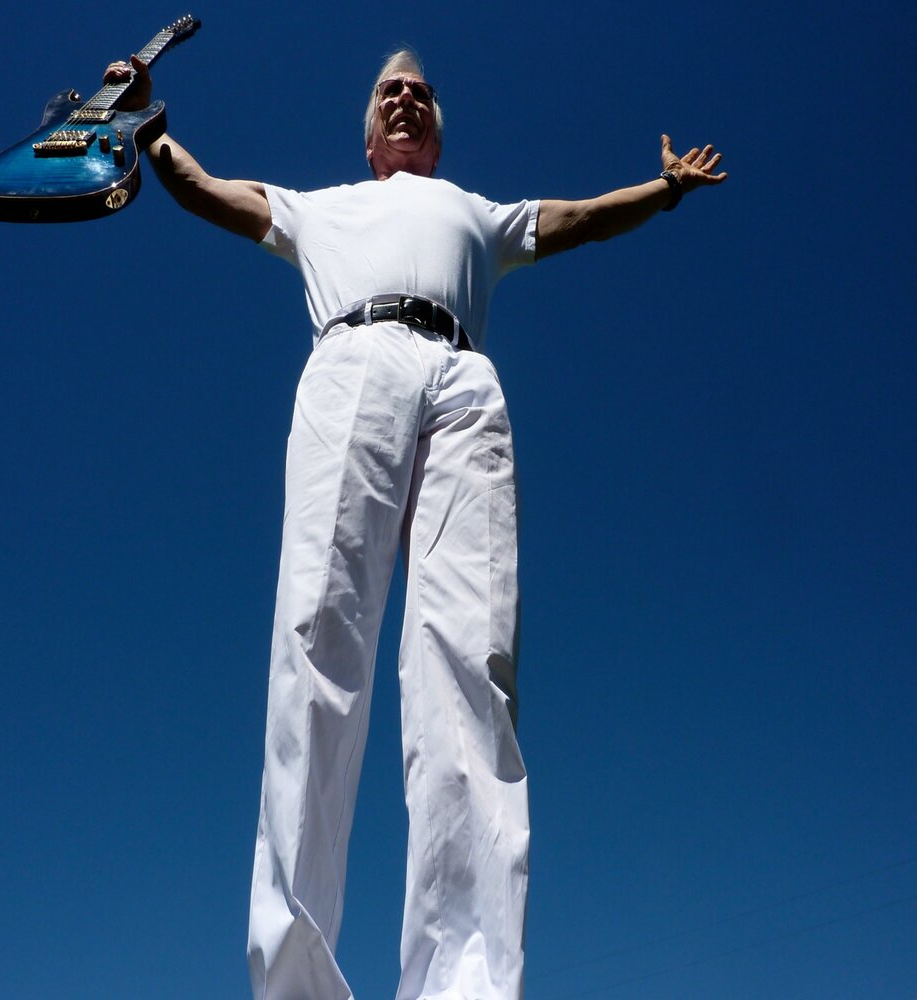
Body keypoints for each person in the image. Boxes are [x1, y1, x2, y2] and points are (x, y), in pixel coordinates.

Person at [104, 47, 726, 1000]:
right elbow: (204, 191)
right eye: (388, 90)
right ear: (369, 131)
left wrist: (666, 190)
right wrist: (146, 126)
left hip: (466, 380)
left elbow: (581, 217)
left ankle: (466, 986)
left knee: (471, 662)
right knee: (319, 636)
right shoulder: (319, 207)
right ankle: (295, 982)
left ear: (436, 126)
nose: (404, 96)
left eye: (420, 91)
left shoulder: (477, 213)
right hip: (355, 357)